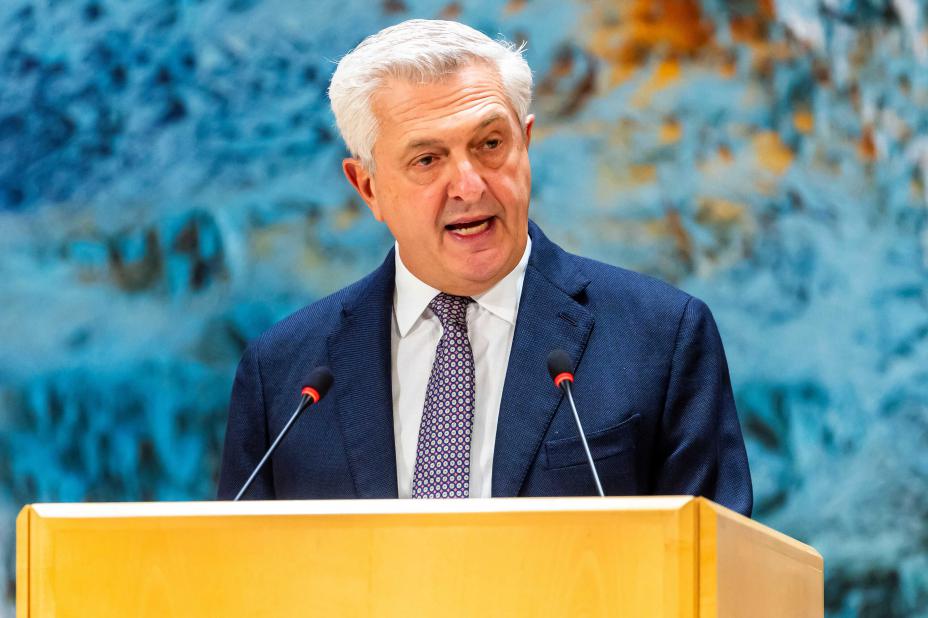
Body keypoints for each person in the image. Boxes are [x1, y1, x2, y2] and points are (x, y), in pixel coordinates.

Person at [217, 19, 753, 516]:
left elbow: (714, 564)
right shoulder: (284, 374)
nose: (470, 186)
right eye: (427, 159)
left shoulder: (661, 337)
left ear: (526, 143)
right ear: (368, 187)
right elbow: (239, 570)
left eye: (490, 144)